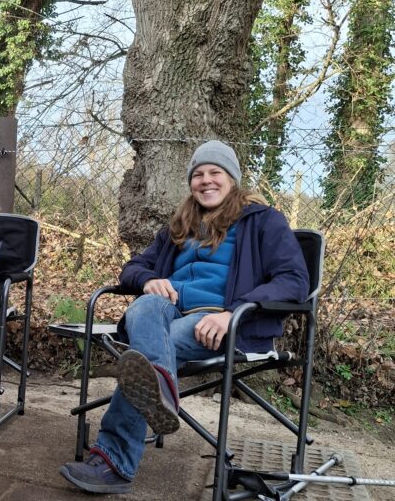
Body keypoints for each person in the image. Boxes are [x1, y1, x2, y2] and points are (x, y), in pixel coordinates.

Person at [59, 140, 310, 495]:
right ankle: (159, 387)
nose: (206, 181)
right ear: (191, 182)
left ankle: (113, 460)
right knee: (143, 306)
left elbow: (294, 281)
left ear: (232, 178)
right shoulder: (180, 224)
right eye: (198, 174)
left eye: (215, 173)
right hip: (164, 314)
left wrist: (232, 313)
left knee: (149, 354)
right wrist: (149, 280)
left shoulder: (263, 221)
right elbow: (133, 268)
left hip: (220, 323)